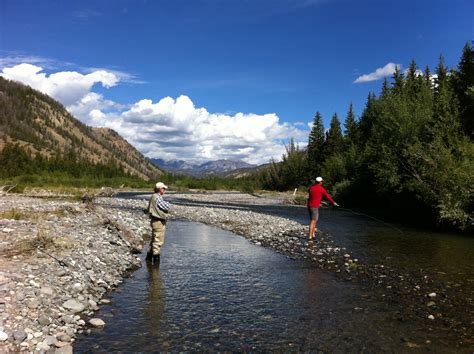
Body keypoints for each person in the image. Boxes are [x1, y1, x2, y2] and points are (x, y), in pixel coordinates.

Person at [146, 182, 171, 264]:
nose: (165, 190)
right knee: (158, 242)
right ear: (160, 189)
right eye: (164, 189)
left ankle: (148, 260)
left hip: (154, 221)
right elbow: (166, 206)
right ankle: (156, 265)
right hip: (158, 222)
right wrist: (169, 204)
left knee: (153, 240)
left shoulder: (153, 196)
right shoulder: (158, 198)